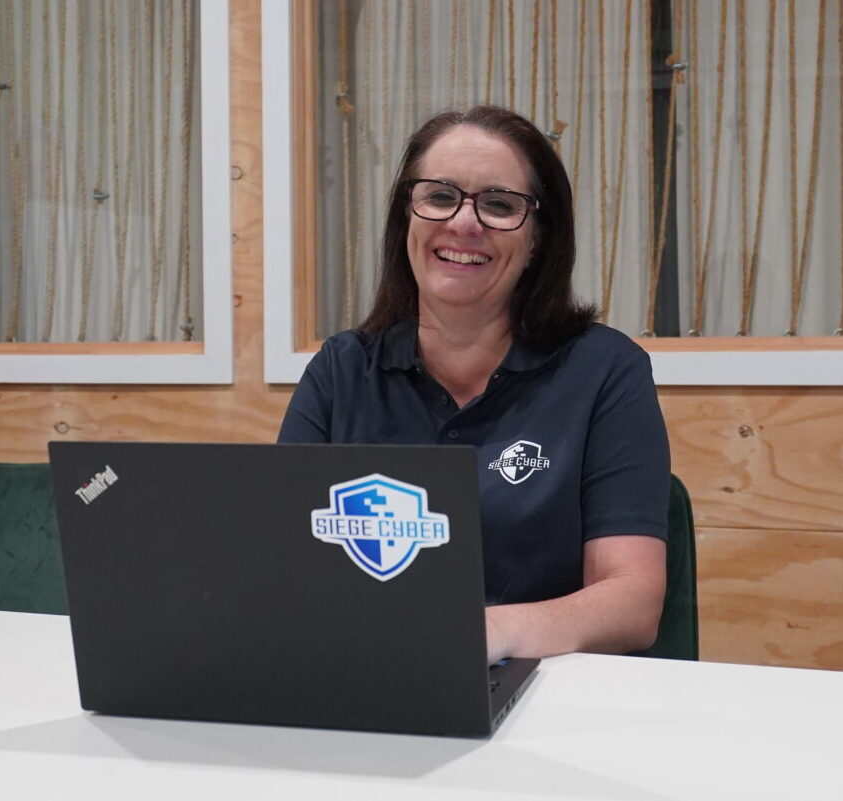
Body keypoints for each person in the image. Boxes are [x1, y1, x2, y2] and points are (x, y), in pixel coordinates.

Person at [277, 105, 670, 663]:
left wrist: (479, 634)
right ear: (407, 218)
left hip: (539, 686)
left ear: (537, 239)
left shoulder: (605, 370)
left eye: (499, 205)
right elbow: (283, 571)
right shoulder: (339, 371)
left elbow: (633, 602)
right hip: (361, 676)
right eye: (440, 196)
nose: (464, 223)